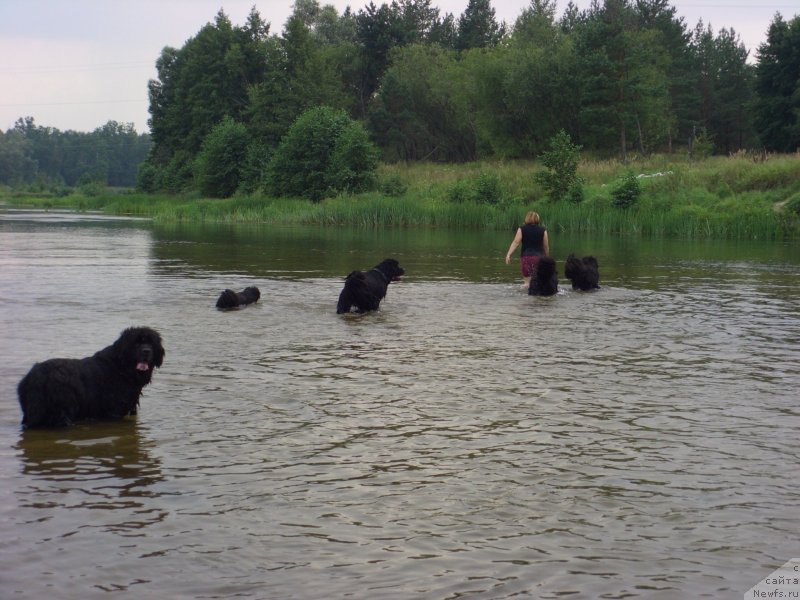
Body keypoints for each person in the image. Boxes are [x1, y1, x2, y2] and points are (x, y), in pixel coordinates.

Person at [505, 211, 550, 289]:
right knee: (539, 281)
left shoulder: (522, 229)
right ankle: (539, 298)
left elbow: (516, 242)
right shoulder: (543, 230)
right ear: (537, 219)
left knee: (527, 284)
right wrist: (547, 257)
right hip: (539, 258)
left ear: (527, 218)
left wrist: (509, 254)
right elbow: (546, 246)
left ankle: (527, 298)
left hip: (526, 258)